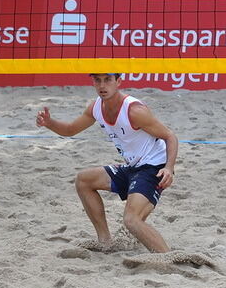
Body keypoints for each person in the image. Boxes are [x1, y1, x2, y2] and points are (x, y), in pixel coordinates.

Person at [35, 73, 178, 253]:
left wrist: (169, 168)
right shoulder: (96, 107)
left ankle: (168, 257)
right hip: (132, 167)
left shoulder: (134, 111)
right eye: (97, 80)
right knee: (84, 180)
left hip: (154, 168)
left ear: (118, 82)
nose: (102, 85)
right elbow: (70, 130)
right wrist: (49, 123)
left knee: (131, 220)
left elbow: (170, 136)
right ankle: (105, 241)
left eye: (107, 80)